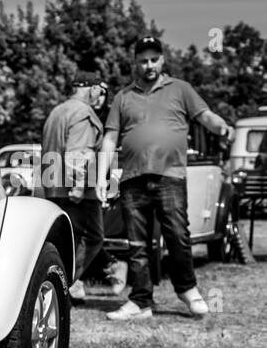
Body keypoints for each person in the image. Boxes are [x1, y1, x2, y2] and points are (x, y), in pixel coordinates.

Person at [101, 36, 232, 320]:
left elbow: (205, 115)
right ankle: (140, 301)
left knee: (177, 235)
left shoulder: (180, 89)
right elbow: (110, 138)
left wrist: (221, 127)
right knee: (137, 244)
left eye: (153, 59)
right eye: (142, 60)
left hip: (170, 176)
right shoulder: (123, 97)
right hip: (132, 179)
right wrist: (102, 176)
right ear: (134, 63)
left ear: (162, 60)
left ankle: (188, 290)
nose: (148, 65)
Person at [41, 70, 107, 302]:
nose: (102, 96)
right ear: (93, 88)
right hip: (76, 192)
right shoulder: (84, 113)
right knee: (93, 237)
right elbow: (79, 153)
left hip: (54, 188)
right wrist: (78, 187)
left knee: (65, 242)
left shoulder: (57, 112)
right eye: (102, 90)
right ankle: (62, 286)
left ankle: (62, 288)